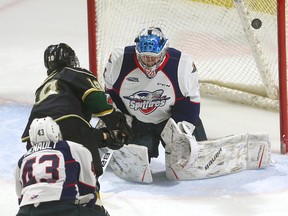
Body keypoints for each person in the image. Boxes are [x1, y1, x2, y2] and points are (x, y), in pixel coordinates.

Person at [21, 43, 132, 178]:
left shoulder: (42, 87)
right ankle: (92, 195)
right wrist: (118, 124)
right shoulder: (75, 73)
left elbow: (64, 134)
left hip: (33, 136)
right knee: (89, 175)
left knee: (46, 178)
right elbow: (97, 104)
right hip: (70, 126)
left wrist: (105, 137)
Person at [103, 27, 207, 161]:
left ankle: (197, 146)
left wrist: (181, 130)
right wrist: (120, 122)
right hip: (138, 122)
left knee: (189, 155)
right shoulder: (119, 61)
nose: (149, 62)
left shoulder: (182, 65)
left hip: (171, 119)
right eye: (145, 57)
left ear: (164, 52)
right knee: (136, 159)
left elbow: (190, 101)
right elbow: (111, 95)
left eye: (153, 58)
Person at [15, 117, 110, 216]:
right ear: (56, 131)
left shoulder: (21, 161)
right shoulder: (72, 148)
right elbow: (88, 188)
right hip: (62, 209)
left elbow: (20, 197)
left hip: (26, 212)